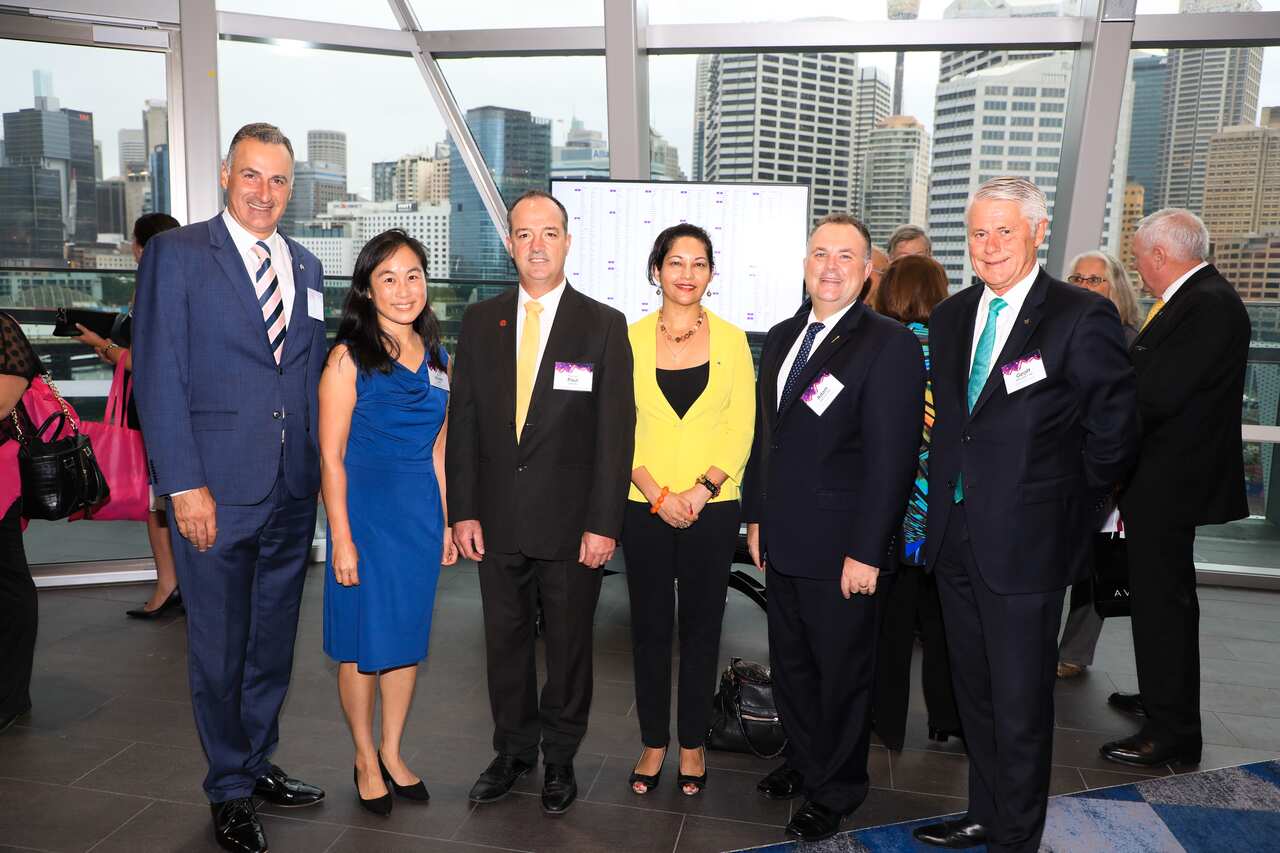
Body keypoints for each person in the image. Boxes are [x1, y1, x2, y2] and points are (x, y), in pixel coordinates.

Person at [913, 177, 1137, 853]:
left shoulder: (1077, 315)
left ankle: (1017, 835)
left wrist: (1071, 516)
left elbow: (1117, 431)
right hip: (955, 540)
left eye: (1005, 231)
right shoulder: (952, 317)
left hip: (1031, 546)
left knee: (1020, 703)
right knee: (974, 692)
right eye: (979, 232)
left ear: (1039, 232)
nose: (990, 246)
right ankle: (984, 809)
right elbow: (955, 426)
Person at [133, 123, 327, 853]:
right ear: (224, 174)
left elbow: (304, 379)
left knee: (272, 642)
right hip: (213, 488)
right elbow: (158, 374)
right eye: (252, 176)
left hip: (290, 488)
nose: (264, 193)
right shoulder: (177, 256)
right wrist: (183, 483)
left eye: (279, 181)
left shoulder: (305, 266)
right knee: (218, 645)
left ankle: (256, 759)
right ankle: (228, 786)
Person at [446, 189, 634, 817]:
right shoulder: (480, 321)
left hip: (572, 523)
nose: (536, 246)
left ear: (567, 242)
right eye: (524, 234)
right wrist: (463, 510)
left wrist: (604, 522)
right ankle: (513, 750)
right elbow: (464, 421)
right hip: (495, 518)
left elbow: (615, 435)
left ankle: (560, 757)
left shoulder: (602, 325)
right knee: (503, 643)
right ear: (510, 244)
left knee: (570, 646)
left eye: (548, 233)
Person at [743, 213, 925, 842]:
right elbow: (767, 439)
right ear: (804, 263)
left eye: (846, 256)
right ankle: (803, 760)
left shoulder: (889, 344)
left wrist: (868, 550)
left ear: (867, 271)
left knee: (843, 673)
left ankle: (838, 789)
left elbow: (892, 459)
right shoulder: (784, 335)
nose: (830, 266)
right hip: (785, 537)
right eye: (820, 253)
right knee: (792, 666)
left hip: (846, 547)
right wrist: (756, 515)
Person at [1101, 209, 1251, 768]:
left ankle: (1172, 730)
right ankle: (1163, 699)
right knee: (1160, 601)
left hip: (1170, 480)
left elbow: (1158, 392)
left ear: (1161, 255)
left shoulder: (1207, 305)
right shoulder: (1199, 299)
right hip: (1164, 478)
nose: (1138, 270)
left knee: (1164, 604)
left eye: (1139, 259)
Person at [320, 230, 457, 815]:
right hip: (366, 521)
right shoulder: (348, 357)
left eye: (413, 276)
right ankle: (363, 756)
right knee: (360, 644)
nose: (404, 290)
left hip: (419, 519)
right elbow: (330, 454)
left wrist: (446, 524)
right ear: (367, 290)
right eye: (389, 278)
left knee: (403, 643)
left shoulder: (440, 358)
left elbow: (438, 452)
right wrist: (341, 539)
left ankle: (394, 751)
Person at [623, 223, 755, 797]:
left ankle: (694, 744)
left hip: (714, 505)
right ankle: (654, 742)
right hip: (642, 504)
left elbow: (741, 425)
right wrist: (657, 494)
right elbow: (615, 427)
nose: (686, 274)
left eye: (698, 264)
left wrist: (701, 490)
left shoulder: (731, 340)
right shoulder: (624, 338)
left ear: (711, 274)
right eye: (675, 263)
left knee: (703, 629)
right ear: (656, 270)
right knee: (650, 628)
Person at [868, 254, 961, 751]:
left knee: (890, 622)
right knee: (946, 620)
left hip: (895, 504)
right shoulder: (957, 350)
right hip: (943, 504)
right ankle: (948, 717)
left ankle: (886, 720)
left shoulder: (884, 347)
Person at [73, 212, 183, 618]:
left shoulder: (153, 290)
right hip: (170, 405)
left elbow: (148, 361)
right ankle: (183, 585)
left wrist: (105, 347)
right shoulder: (179, 285)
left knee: (158, 503)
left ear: (140, 247)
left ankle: (168, 585)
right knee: (171, 498)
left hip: (154, 407)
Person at [1056, 250, 1141, 679]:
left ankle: (1074, 652)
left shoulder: (1130, 340)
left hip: (1103, 474)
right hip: (1058, 471)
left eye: (1097, 279)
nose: (1086, 286)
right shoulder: (1055, 332)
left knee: (1092, 571)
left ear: (1117, 287)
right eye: (1079, 278)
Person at [0, 314, 42, 735]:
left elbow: (3, 400)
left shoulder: (2, 328)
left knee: (7, 580)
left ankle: (10, 694)